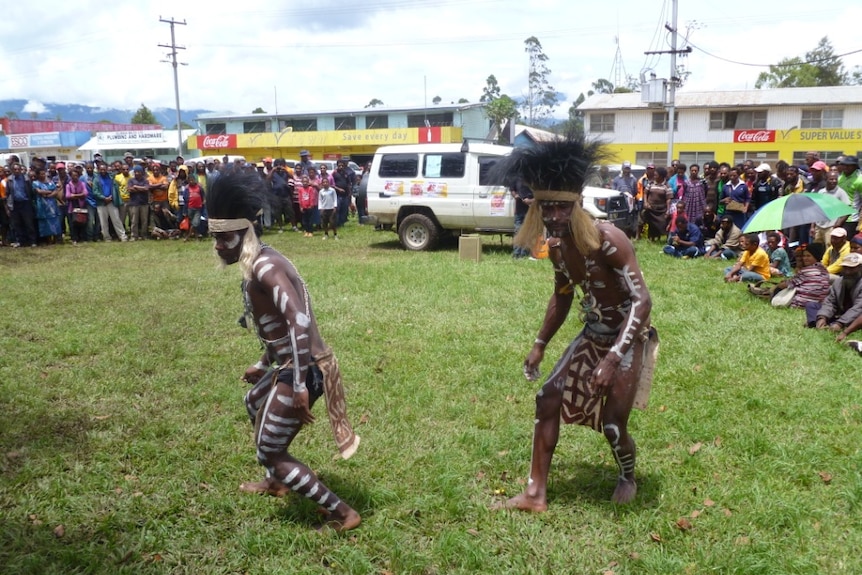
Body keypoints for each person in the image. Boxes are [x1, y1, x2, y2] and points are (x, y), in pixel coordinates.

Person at [491, 132, 658, 511]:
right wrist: (539, 344)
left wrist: (613, 358)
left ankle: (627, 475)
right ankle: (535, 494)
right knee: (547, 398)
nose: (553, 217)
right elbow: (562, 296)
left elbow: (642, 301)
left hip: (625, 340)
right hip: (592, 334)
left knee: (613, 425)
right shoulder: (555, 248)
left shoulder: (609, 240)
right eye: (545, 209)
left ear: (577, 205)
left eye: (561, 209)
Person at [207, 170, 361, 531]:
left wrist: (298, 382)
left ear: (243, 234)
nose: (217, 246)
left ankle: (344, 514)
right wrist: (264, 362)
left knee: (272, 453)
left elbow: (299, 322)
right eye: (213, 238)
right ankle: (276, 482)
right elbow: (275, 325)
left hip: (304, 370)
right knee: (253, 402)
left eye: (223, 238)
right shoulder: (259, 261)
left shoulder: (265, 268)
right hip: (293, 365)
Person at [806, 252, 862, 331]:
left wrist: (840, 323)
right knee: (812, 305)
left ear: (860, 268)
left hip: (856, 315)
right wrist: (822, 317)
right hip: (840, 313)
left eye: (851, 268)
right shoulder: (839, 282)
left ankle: (832, 324)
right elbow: (830, 302)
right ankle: (819, 323)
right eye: (845, 268)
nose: (847, 272)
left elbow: (858, 308)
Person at [768, 243, 830, 309]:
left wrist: (777, 286)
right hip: (820, 303)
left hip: (803, 303)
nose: (805, 258)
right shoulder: (824, 269)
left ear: (816, 257)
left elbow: (787, 284)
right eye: (804, 256)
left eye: (808, 256)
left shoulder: (806, 271)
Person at [811, 170, 850, 244]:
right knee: (817, 249)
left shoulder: (840, 193)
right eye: (831, 179)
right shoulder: (821, 192)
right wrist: (812, 227)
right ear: (826, 179)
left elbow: (847, 209)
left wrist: (838, 223)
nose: (834, 181)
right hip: (819, 226)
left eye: (835, 179)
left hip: (830, 227)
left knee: (829, 248)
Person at [93, 163, 128, 242]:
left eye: (104, 169)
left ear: (106, 169)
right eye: (101, 169)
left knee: (116, 219)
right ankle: (107, 237)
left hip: (111, 202)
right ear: (98, 170)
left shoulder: (111, 177)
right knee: (103, 222)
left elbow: (115, 189)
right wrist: (104, 198)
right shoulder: (96, 179)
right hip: (101, 203)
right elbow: (95, 191)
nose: (103, 171)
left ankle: (122, 236)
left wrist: (111, 197)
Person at [642, 166, 671, 241]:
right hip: (651, 207)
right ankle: (651, 238)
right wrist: (646, 202)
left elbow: (668, 199)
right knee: (651, 224)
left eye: (656, 175)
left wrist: (668, 210)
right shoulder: (651, 183)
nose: (654, 176)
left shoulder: (666, 186)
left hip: (661, 209)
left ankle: (659, 238)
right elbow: (645, 193)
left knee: (662, 223)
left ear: (661, 176)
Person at [836, 155, 862, 237]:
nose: (845, 167)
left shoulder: (859, 180)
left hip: (851, 218)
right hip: (837, 214)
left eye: (848, 165)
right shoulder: (840, 177)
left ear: (854, 166)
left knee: (845, 242)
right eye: (844, 165)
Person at [510, 177, 534, 258]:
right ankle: (516, 254)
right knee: (518, 231)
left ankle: (524, 254)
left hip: (531, 212)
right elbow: (512, 189)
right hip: (519, 211)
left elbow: (540, 197)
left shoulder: (534, 179)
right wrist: (515, 195)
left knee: (528, 232)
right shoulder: (517, 177)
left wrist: (530, 201)